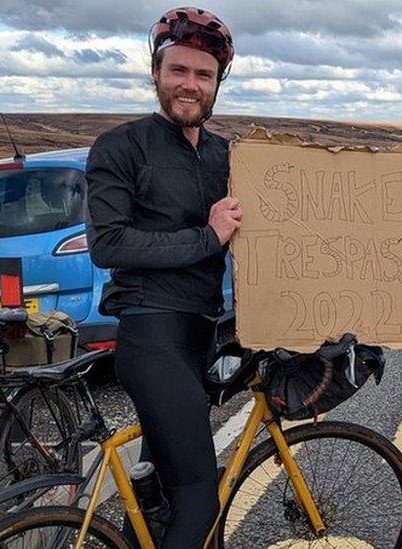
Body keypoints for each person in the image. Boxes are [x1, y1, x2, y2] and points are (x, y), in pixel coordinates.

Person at [84, 6, 238, 547]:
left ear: (217, 83)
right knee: (200, 494)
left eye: (203, 75)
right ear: (156, 72)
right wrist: (206, 237)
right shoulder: (121, 147)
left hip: (202, 334)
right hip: (151, 334)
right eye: (178, 71)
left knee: (162, 496)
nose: (189, 85)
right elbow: (108, 243)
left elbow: (295, 222)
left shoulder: (224, 155)